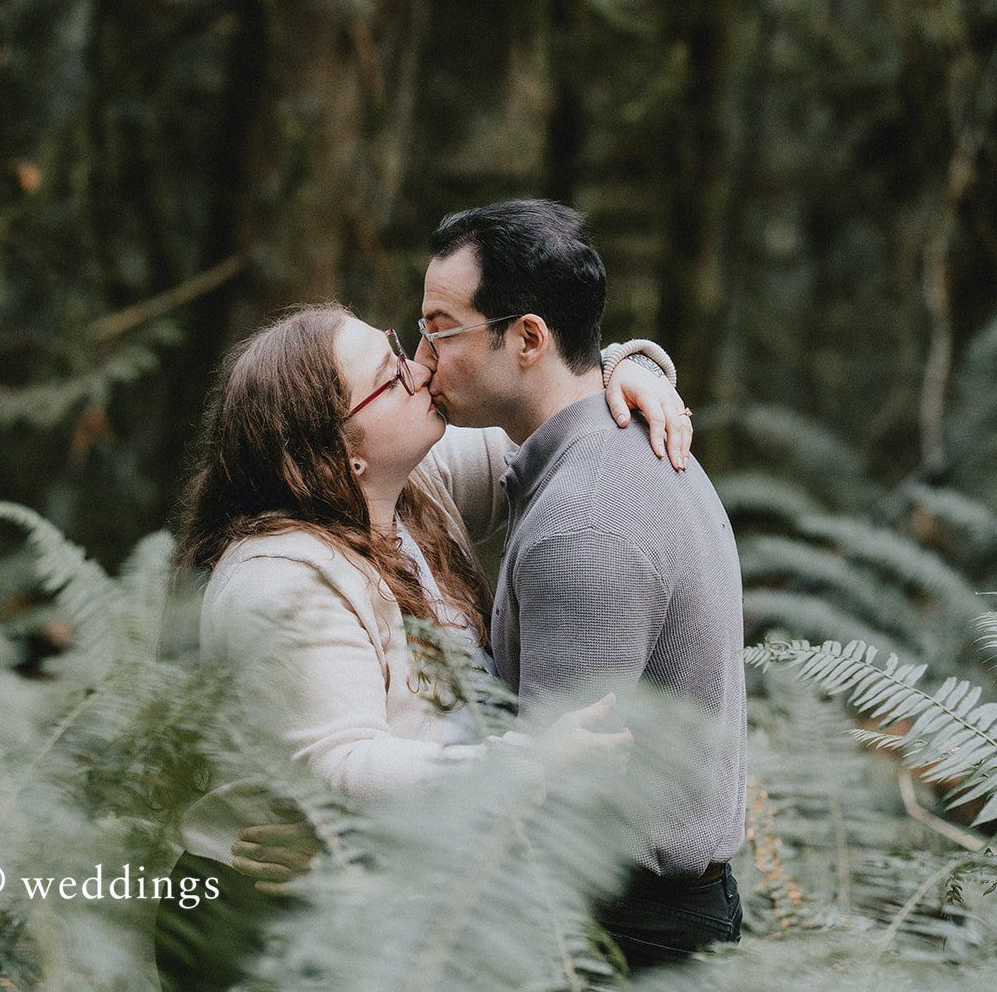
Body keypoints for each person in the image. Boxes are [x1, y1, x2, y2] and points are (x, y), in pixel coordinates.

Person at [156, 303, 690, 990]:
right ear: (340, 447)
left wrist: (628, 367)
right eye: (391, 372)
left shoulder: (411, 487)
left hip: (360, 892)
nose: (420, 367)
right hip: (260, 923)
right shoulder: (281, 575)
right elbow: (342, 767)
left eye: (393, 345)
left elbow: (556, 420)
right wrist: (528, 764)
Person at [415, 199, 746, 970]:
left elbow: (559, 815)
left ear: (528, 337)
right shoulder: (606, 443)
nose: (421, 356)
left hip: (623, 936)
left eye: (440, 327)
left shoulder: (582, 518)